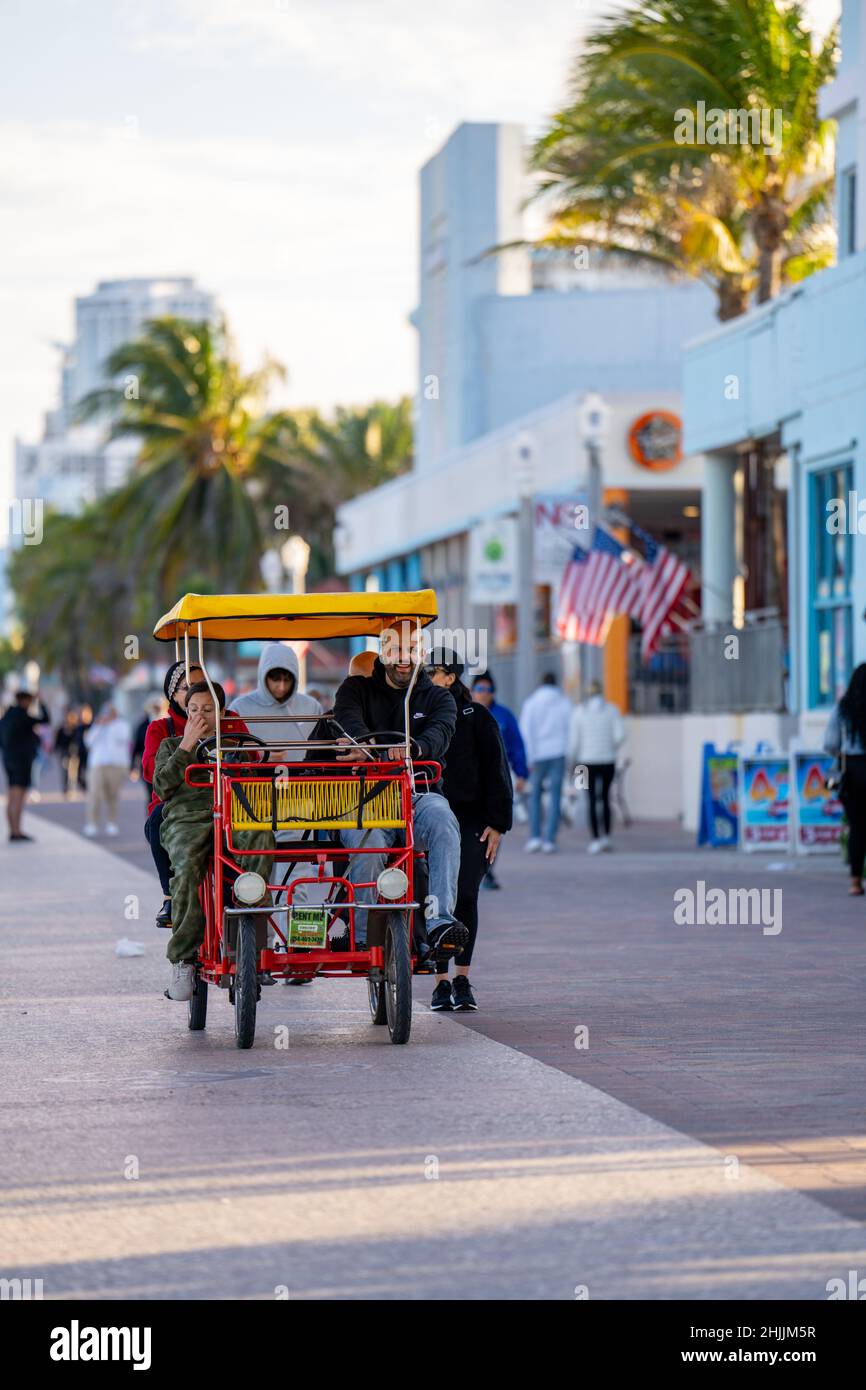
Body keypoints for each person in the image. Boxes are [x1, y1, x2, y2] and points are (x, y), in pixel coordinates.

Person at [332, 620, 466, 957]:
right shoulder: (356, 689)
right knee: (369, 840)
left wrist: (415, 748)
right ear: (383, 653)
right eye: (395, 650)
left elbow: (441, 733)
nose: (403, 658)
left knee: (443, 818)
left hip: (416, 794)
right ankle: (362, 934)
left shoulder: (438, 697)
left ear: (421, 653)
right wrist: (367, 742)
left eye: (410, 650)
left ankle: (439, 920)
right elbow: (347, 716)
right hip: (362, 799)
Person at [153, 682, 274, 1001]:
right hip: (187, 817)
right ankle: (183, 958)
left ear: (221, 714)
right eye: (194, 710)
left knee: (262, 838)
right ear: (185, 712)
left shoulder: (236, 744)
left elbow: (253, 786)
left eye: (208, 710)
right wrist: (186, 747)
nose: (200, 716)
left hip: (234, 813)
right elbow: (162, 787)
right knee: (187, 867)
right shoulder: (170, 744)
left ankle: (252, 941)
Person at [427, 648, 513, 1011]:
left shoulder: (477, 716)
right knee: (432, 897)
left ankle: (461, 978)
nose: (429, 677)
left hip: (474, 822)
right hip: (431, 817)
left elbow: (498, 770)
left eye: (435, 672)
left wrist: (498, 824)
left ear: (451, 676)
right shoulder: (418, 714)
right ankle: (439, 982)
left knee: (465, 895)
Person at [142, 660, 247, 929]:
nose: (196, 692)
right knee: (157, 821)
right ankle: (171, 897)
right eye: (187, 688)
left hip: (227, 802)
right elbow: (154, 775)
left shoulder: (231, 722)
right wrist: (187, 744)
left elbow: (251, 761)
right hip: (178, 805)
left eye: (202, 686)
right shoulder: (162, 730)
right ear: (174, 695)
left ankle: (253, 896)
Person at [471, 669, 528, 888]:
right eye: (480, 689)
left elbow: (516, 746)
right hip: (472, 784)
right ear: (472, 690)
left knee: (495, 824)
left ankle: (489, 869)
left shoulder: (504, 716)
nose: (484, 693)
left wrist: (521, 773)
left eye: (488, 689)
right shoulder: (464, 713)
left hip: (496, 781)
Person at [569, 680, 625, 853]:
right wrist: (610, 748)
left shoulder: (579, 712)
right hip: (608, 760)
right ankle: (606, 837)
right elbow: (620, 735)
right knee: (606, 798)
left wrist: (572, 761)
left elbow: (574, 742)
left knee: (591, 799)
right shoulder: (612, 710)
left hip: (585, 762)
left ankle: (595, 839)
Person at [519, 672, 573, 853]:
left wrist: (529, 757)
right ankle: (550, 839)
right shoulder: (564, 703)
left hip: (537, 755)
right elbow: (570, 729)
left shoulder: (532, 703)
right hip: (558, 752)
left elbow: (526, 731)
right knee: (556, 797)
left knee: (534, 797)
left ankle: (535, 837)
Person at [824, 664, 866, 895]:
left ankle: (855, 881)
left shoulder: (843, 709)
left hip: (852, 771)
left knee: (858, 827)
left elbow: (829, 744)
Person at [0, 690, 50, 841]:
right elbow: (45, 720)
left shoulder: (6, 717)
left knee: (12, 796)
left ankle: (14, 830)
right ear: (24, 701)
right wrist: (40, 702)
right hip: (20, 761)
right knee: (17, 797)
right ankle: (16, 831)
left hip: (9, 760)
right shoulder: (22, 716)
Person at [83, 703, 132, 837]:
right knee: (94, 794)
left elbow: (123, 738)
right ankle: (92, 823)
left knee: (113, 795)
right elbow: (88, 741)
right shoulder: (97, 725)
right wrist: (99, 726)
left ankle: (112, 822)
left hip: (116, 764)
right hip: (97, 764)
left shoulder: (122, 725)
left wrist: (110, 725)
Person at [54, 709, 86, 795]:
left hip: (73, 753)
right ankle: (66, 788)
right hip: (64, 753)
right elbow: (57, 742)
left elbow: (77, 741)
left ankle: (74, 787)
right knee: (65, 771)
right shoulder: (61, 729)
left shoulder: (75, 729)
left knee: (73, 772)